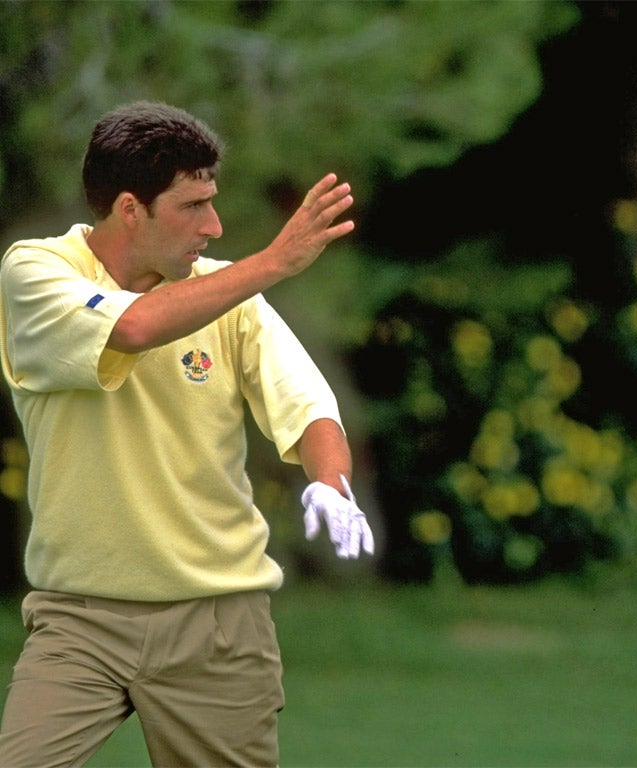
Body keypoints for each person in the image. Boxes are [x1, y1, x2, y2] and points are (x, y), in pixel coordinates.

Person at [0, 100, 374, 767]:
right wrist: (274, 261)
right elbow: (134, 327)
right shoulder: (35, 273)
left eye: (213, 202)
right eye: (193, 206)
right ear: (129, 209)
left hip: (219, 625)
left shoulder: (231, 300)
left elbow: (308, 406)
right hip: (78, 620)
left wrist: (332, 485)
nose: (215, 224)